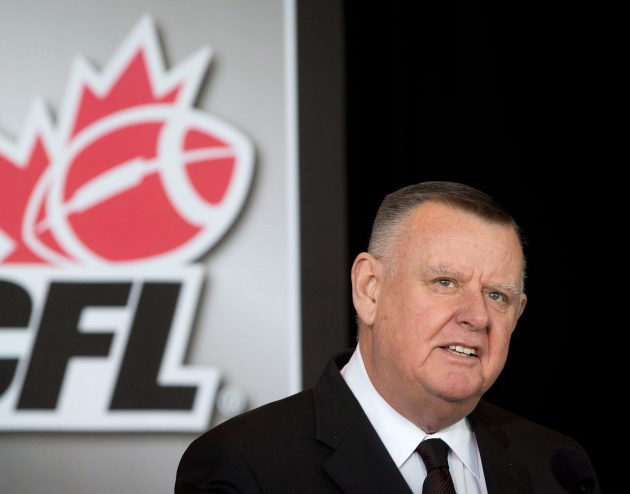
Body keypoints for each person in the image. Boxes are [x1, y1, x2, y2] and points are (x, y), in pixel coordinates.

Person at [175, 181, 601, 493]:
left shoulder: (556, 467)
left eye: (497, 295)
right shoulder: (246, 467)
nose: (477, 316)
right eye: (445, 282)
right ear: (370, 289)